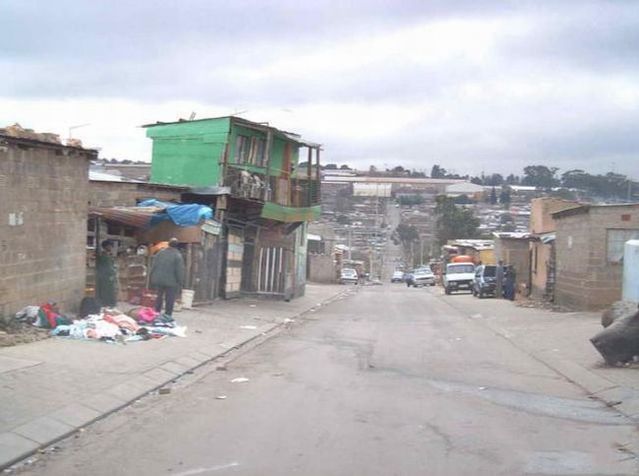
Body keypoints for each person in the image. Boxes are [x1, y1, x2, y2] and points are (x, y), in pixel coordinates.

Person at [150, 238, 185, 317]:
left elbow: (153, 266)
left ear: (168, 244)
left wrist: (152, 277)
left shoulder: (160, 253)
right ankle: (167, 315)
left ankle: (156, 313)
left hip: (159, 280)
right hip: (171, 282)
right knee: (169, 299)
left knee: (159, 297)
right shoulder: (177, 255)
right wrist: (180, 282)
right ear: (177, 246)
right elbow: (179, 270)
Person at [95, 240, 118, 307]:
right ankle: (108, 304)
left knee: (111, 291)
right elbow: (107, 267)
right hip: (105, 277)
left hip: (109, 277)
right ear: (106, 247)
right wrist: (113, 271)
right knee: (107, 291)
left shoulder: (108, 255)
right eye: (110, 246)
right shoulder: (104, 256)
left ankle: (109, 304)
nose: (111, 248)